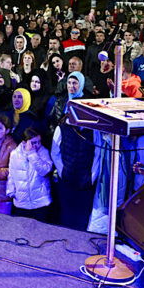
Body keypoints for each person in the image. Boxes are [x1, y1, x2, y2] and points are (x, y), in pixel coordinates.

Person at [51, 72, 96, 231]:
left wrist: (92, 176)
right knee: (67, 217)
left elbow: (98, 154)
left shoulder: (93, 129)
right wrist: (62, 170)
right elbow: (55, 151)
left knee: (82, 217)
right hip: (67, 177)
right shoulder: (62, 127)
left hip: (86, 179)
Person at [6, 128, 53, 222]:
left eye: (39, 142)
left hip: (40, 202)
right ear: (24, 142)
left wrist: (32, 154)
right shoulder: (15, 154)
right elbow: (11, 174)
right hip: (21, 202)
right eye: (34, 142)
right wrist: (11, 190)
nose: (37, 145)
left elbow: (44, 171)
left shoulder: (43, 152)